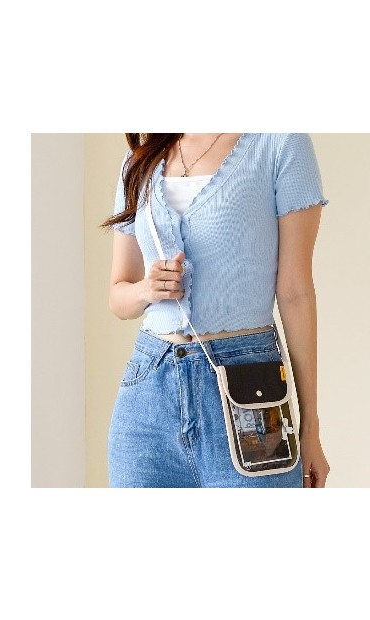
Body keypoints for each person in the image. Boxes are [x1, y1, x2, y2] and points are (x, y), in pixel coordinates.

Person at [103, 133, 330, 488]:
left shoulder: (280, 143)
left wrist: (310, 428)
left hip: (250, 389)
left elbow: (295, 293)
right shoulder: (140, 162)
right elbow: (119, 297)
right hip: (148, 397)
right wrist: (146, 289)